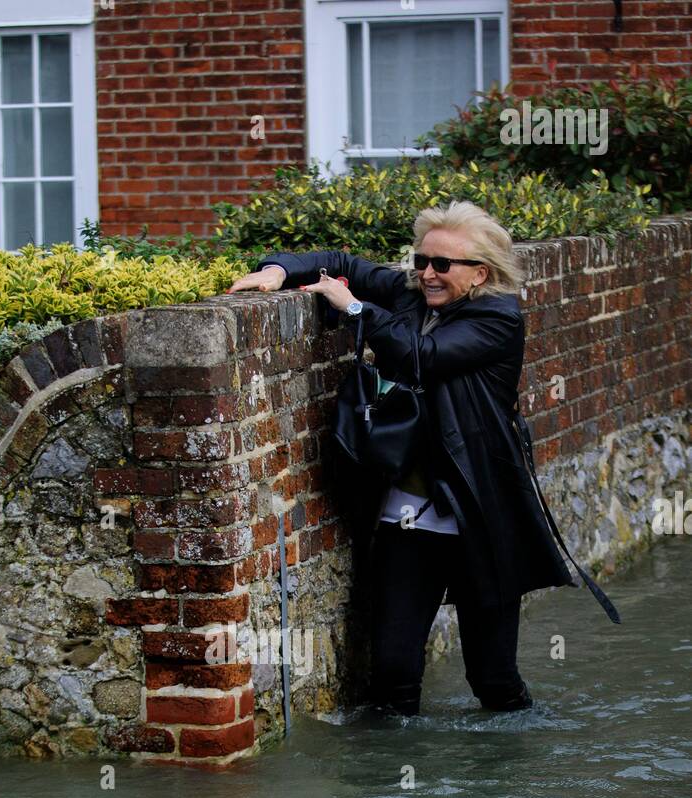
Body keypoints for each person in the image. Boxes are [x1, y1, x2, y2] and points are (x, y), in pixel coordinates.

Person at [226, 199, 616, 716]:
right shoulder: (413, 295)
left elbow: (423, 357)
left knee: (493, 679)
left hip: (480, 510)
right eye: (420, 261)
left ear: (480, 273)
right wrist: (276, 271)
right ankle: (391, 787)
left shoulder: (498, 319)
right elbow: (341, 263)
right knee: (392, 675)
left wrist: (356, 309)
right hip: (410, 509)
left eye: (442, 265)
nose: (426, 274)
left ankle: (506, 782)